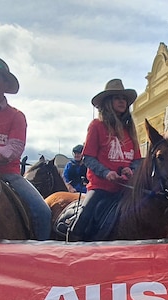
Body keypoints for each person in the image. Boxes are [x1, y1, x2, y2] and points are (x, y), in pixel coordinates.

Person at [0, 56, 50, 240]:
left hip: (7, 174)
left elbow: (13, 149)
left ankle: (40, 257)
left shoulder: (16, 116)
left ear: (5, 84)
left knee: (42, 212)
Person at [71, 79, 143, 241]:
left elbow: (138, 160)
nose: (122, 101)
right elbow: (88, 157)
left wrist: (131, 169)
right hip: (101, 187)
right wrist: (106, 173)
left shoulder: (130, 130)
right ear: (107, 102)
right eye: (117, 98)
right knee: (82, 220)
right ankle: (72, 249)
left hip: (126, 189)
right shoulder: (97, 126)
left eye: (123, 98)